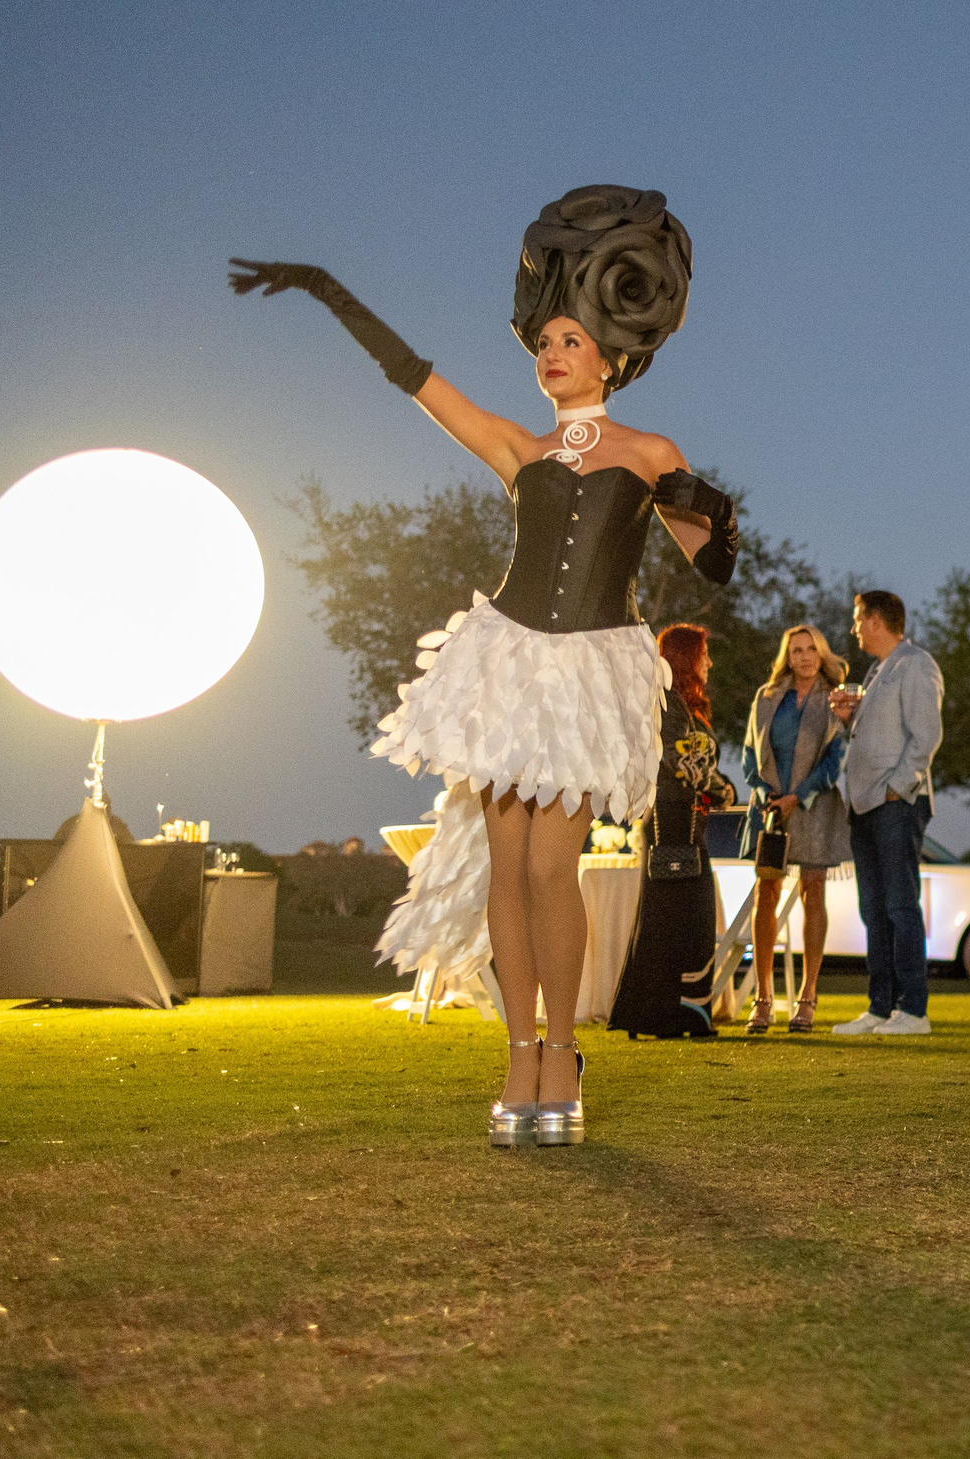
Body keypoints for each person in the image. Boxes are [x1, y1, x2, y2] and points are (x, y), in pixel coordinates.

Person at [231, 184, 739, 1147]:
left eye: (571, 343)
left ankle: (561, 1048)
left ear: (612, 353)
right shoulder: (518, 445)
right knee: (510, 864)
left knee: (557, 866)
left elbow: (709, 564)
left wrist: (709, 506)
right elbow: (416, 378)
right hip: (509, 660)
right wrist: (322, 286)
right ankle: (518, 1052)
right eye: (543, 342)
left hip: (591, 671)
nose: (552, 355)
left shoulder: (646, 449)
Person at [610, 622, 738, 1039]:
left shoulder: (675, 703)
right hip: (673, 821)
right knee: (681, 917)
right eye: (704, 654)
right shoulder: (666, 702)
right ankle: (671, 1013)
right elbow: (684, 762)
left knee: (677, 917)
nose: (710, 662)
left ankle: (667, 1013)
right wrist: (723, 788)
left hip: (678, 820)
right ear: (687, 658)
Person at [828, 590, 945, 1037]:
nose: (855, 628)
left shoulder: (915, 664)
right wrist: (846, 720)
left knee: (899, 906)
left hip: (895, 805)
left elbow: (925, 736)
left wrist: (898, 790)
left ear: (876, 620)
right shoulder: (878, 671)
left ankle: (913, 1010)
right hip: (864, 806)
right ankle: (880, 1007)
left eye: (859, 619)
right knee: (873, 909)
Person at [738, 626, 853, 1032]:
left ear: (822, 655)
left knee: (813, 889)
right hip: (769, 809)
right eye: (796, 651)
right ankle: (764, 998)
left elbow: (835, 759)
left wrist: (797, 796)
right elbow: (750, 752)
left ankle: (807, 997)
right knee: (765, 892)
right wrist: (763, 790)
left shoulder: (835, 699)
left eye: (811, 650)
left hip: (813, 806)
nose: (804, 657)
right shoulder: (767, 698)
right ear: (787, 657)